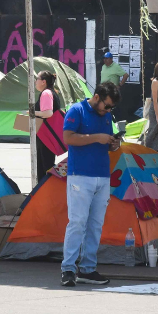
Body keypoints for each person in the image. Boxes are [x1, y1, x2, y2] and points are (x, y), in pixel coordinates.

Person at [60, 82, 121, 287]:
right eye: (107, 105)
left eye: (111, 107)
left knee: (95, 225)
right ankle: (68, 268)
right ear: (97, 97)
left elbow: (108, 142)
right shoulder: (76, 110)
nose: (108, 110)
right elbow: (68, 137)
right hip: (80, 175)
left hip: (102, 176)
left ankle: (88, 268)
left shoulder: (106, 116)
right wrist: (97, 138)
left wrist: (113, 143)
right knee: (77, 222)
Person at [34, 70, 67, 176]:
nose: (35, 81)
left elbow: (48, 113)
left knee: (44, 166)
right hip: (49, 134)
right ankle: (44, 189)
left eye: (37, 79)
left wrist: (32, 112)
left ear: (43, 81)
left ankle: (45, 189)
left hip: (45, 135)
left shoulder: (46, 93)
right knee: (46, 164)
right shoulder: (52, 92)